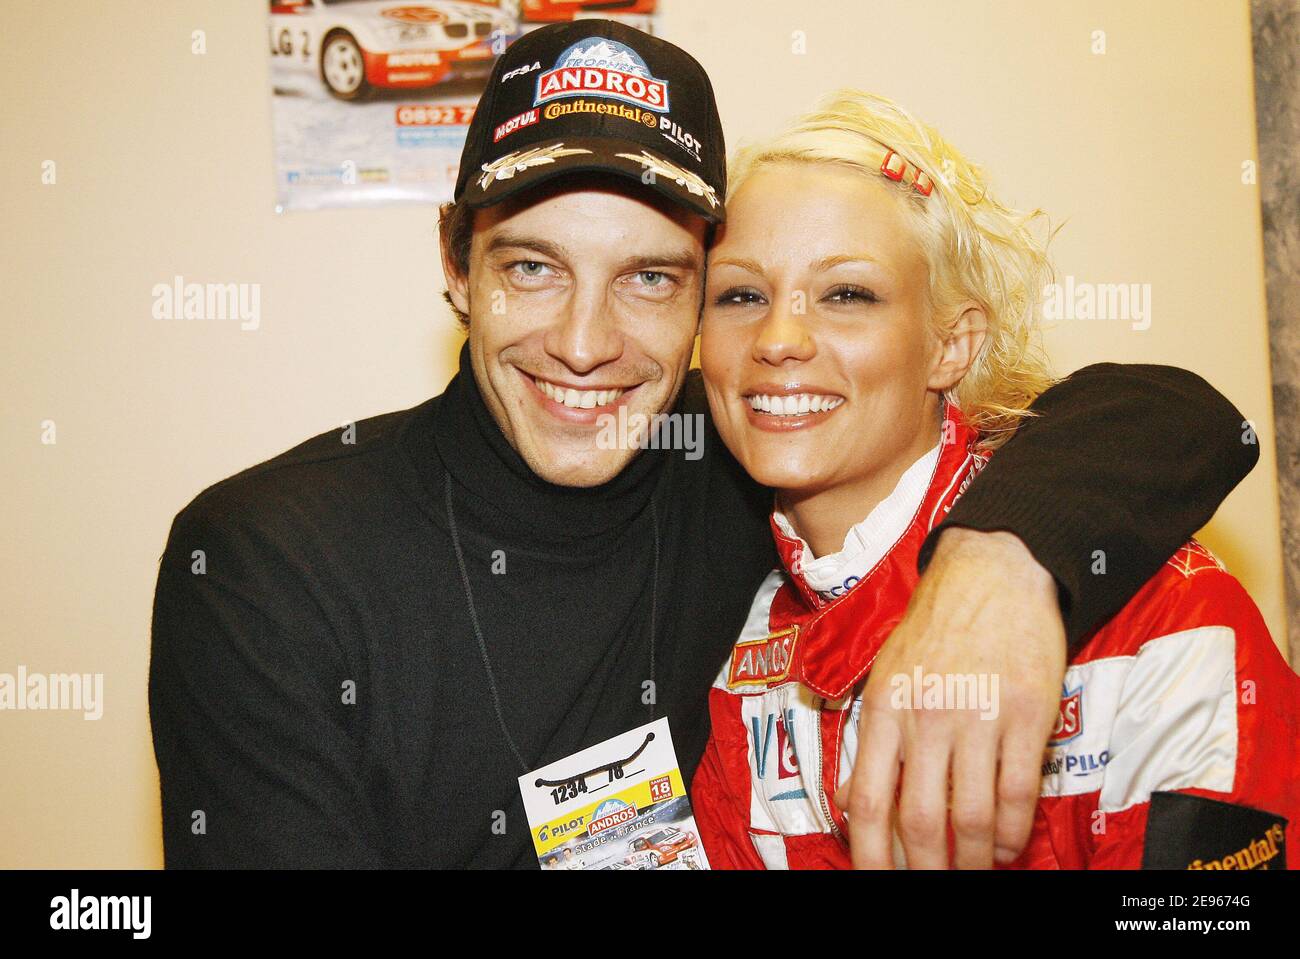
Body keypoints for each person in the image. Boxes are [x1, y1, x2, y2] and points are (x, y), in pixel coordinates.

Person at [149, 20, 1258, 869]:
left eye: (651, 277)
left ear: (693, 314)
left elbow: (1176, 416)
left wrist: (996, 565)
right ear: (456, 265)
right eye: (532, 266)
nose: (584, 346)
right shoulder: (267, 558)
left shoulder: (745, 463)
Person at [690, 90, 1299, 870]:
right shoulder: (744, 642)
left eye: (848, 294)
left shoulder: (1163, 613)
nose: (777, 339)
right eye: (741, 294)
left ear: (952, 344)